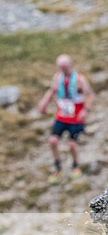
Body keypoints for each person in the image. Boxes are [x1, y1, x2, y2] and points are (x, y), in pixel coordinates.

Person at [38, 54, 95, 183]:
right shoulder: (57, 78)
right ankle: (58, 167)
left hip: (76, 118)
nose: (63, 70)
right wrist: (44, 103)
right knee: (52, 141)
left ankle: (75, 166)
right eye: (61, 67)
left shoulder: (80, 79)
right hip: (62, 116)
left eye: (65, 67)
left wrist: (86, 110)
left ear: (71, 65)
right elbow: (52, 91)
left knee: (71, 144)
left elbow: (90, 95)